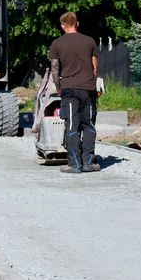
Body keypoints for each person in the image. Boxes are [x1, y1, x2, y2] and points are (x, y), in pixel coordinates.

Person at [49, 11, 100, 174]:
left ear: (62, 26)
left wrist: (59, 88)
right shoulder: (89, 41)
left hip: (69, 89)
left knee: (72, 125)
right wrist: (92, 85)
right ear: (77, 24)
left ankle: (74, 164)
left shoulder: (57, 44)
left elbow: (55, 70)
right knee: (89, 124)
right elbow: (95, 68)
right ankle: (89, 162)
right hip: (88, 89)